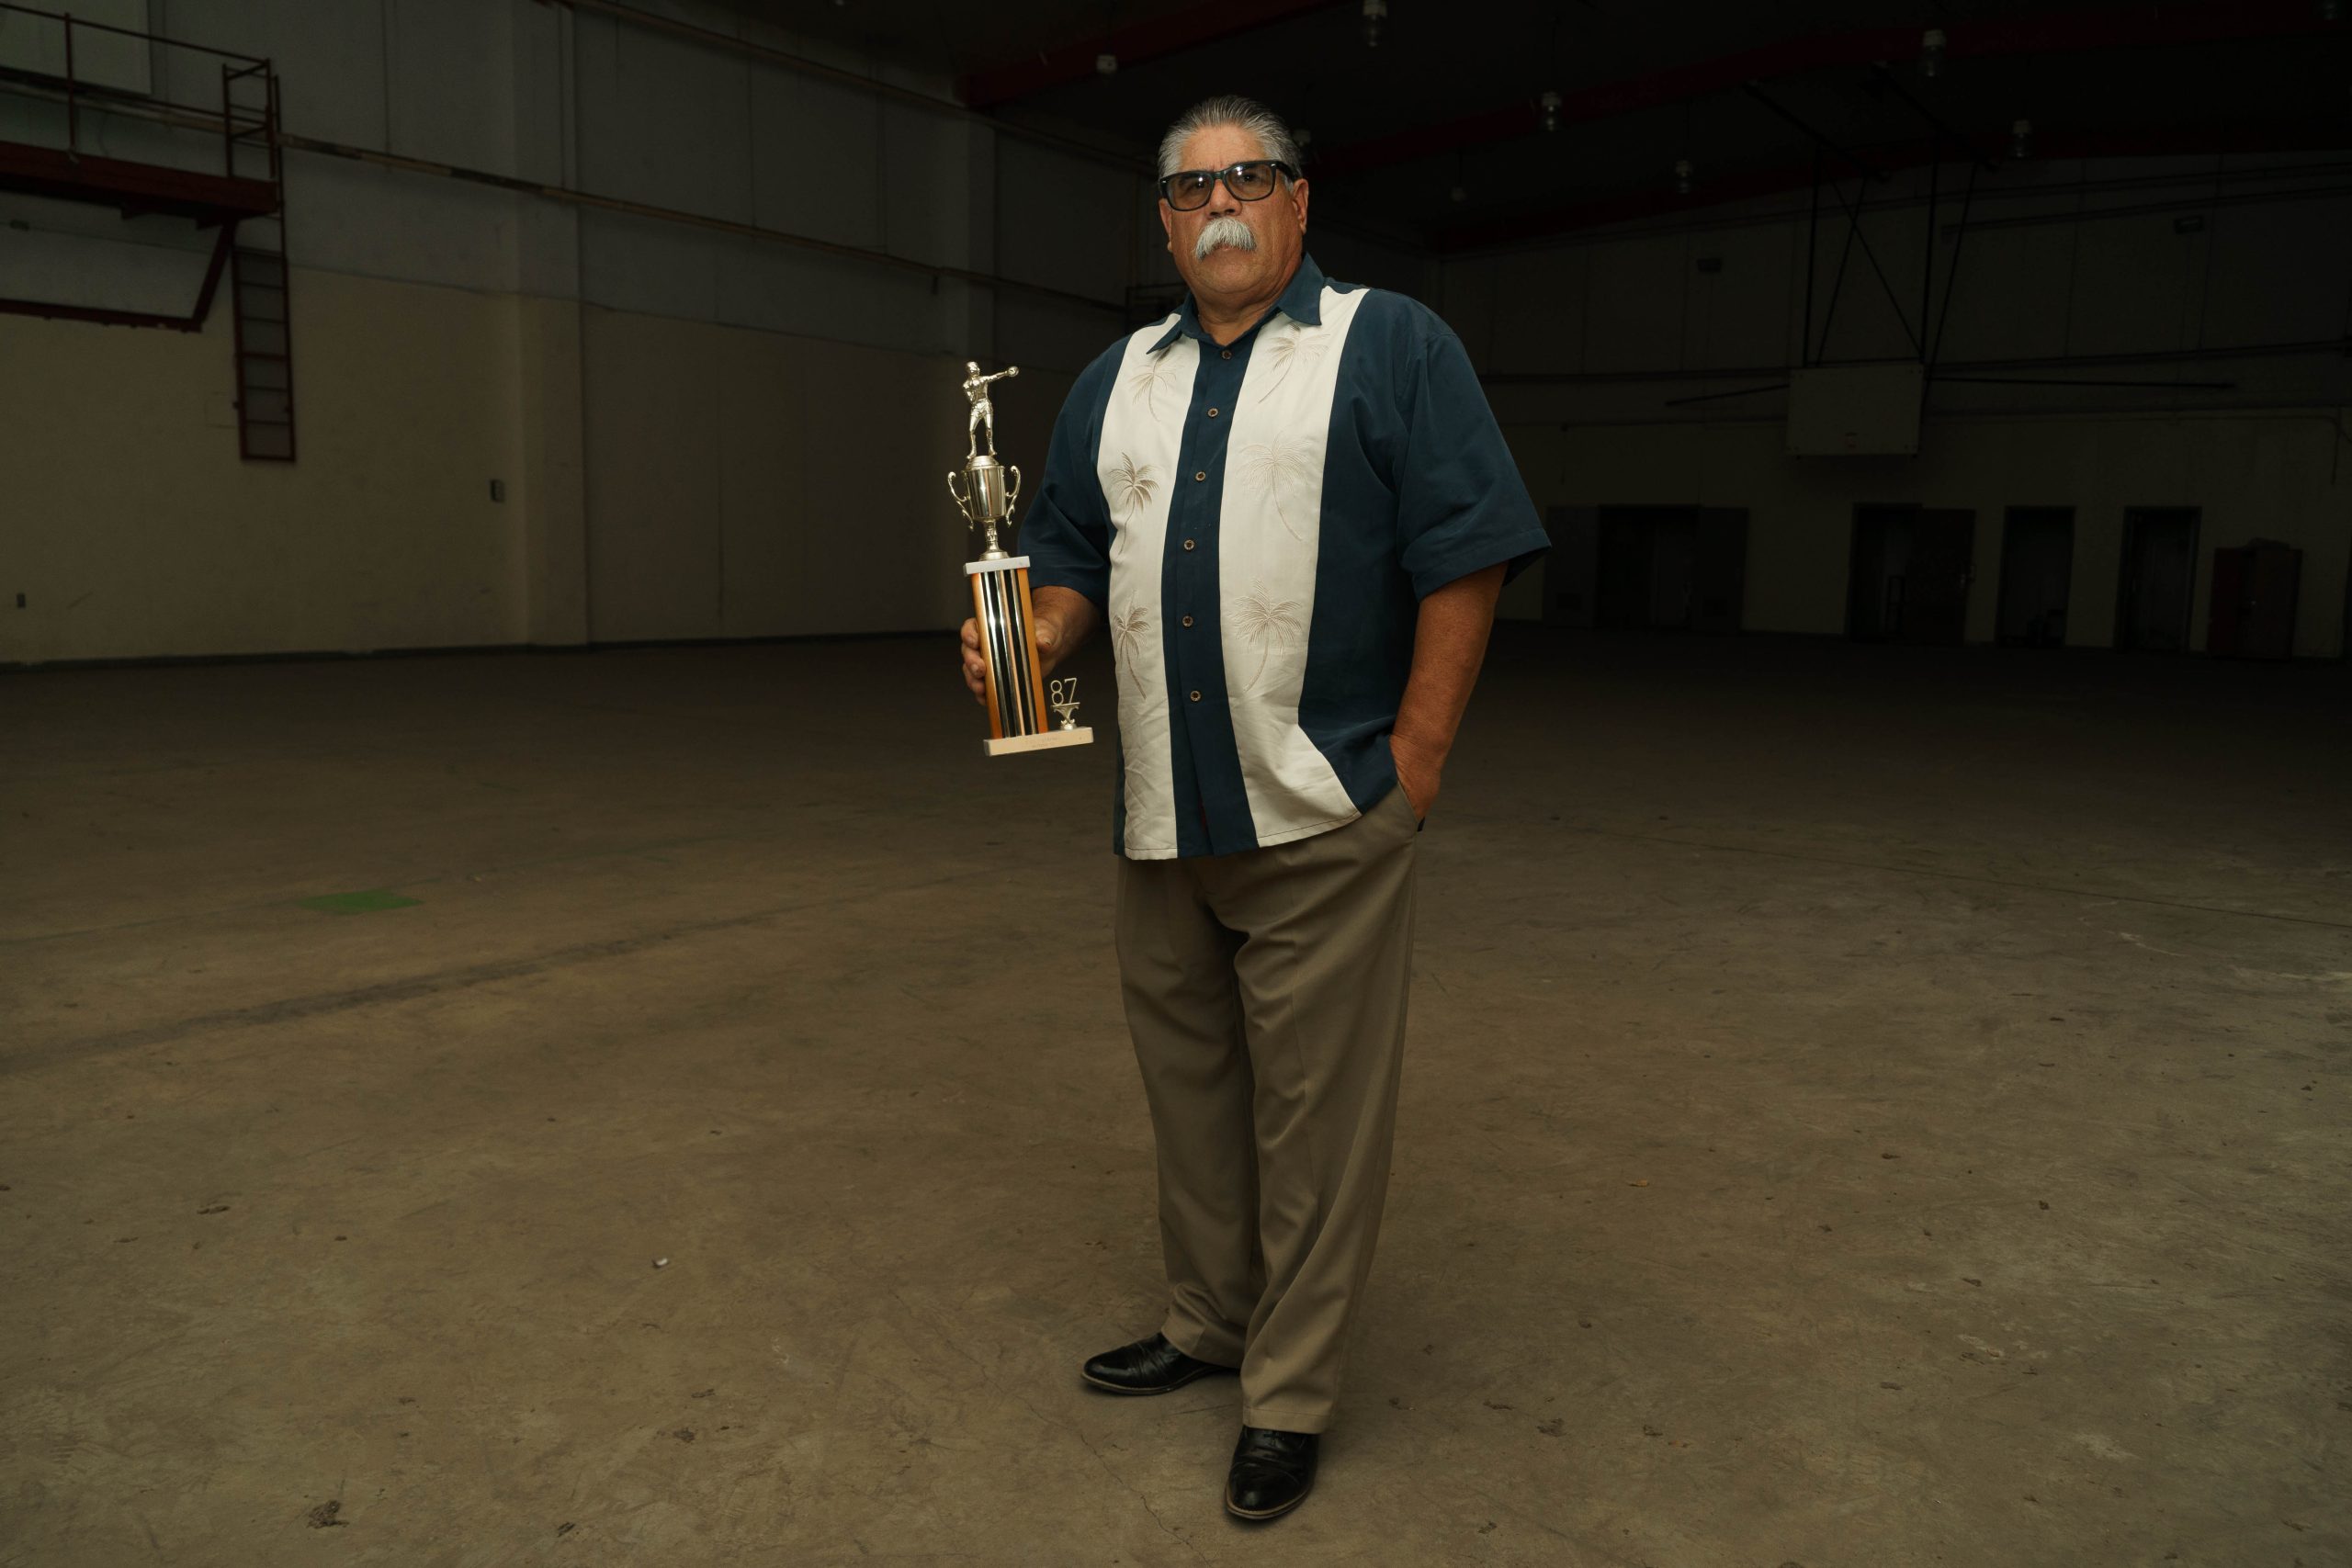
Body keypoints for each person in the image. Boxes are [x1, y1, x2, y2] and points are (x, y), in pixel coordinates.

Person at [956, 94, 1546, 1524]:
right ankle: (1209, 1322)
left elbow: (1467, 553)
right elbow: (1073, 560)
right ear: (1163, 223)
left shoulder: (1390, 346)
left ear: (1297, 201)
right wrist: (1029, 640)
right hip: (1160, 817)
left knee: (1316, 1124)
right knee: (1193, 1099)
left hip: (1324, 810)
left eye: (1249, 176)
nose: (1220, 201)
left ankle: (1286, 1397)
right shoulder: (1114, 381)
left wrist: (1416, 761)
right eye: (1189, 185)